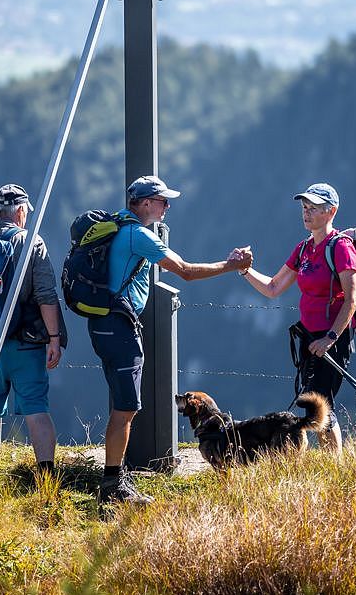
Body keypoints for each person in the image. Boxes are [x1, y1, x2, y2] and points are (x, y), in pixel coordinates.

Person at [88, 174, 252, 509]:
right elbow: (187, 271)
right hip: (119, 327)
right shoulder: (138, 235)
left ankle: (115, 476)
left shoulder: (118, 224)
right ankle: (113, 483)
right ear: (146, 203)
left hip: (103, 324)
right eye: (163, 201)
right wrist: (231, 265)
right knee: (126, 408)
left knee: (123, 404)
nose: (168, 207)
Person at [233, 182, 356, 455]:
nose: (306, 212)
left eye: (313, 208)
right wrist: (244, 270)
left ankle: (334, 468)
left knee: (322, 402)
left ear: (331, 211)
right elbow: (274, 288)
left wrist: (330, 338)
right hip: (308, 337)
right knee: (314, 402)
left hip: (331, 337)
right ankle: (330, 467)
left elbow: (352, 299)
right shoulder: (304, 249)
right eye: (304, 207)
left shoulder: (340, 247)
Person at [0, 183, 63, 481]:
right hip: (24, 345)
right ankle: (46, 479)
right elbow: (46, 294)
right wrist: (54, 339)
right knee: (35, 409)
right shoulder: (31, 243)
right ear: (20, 211)